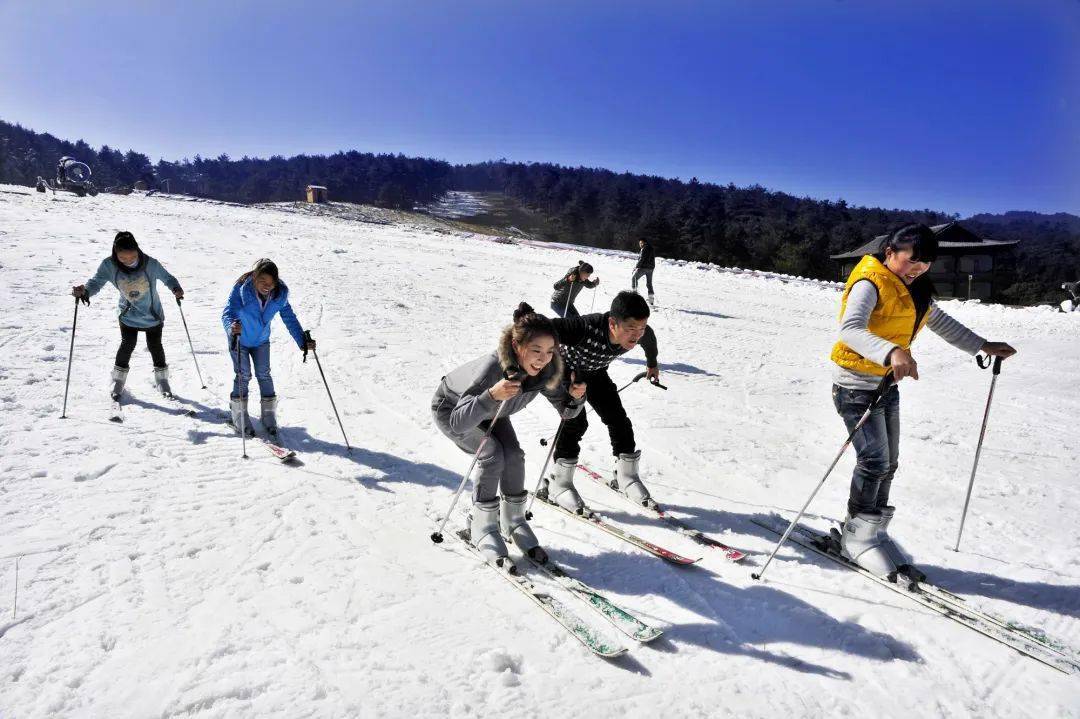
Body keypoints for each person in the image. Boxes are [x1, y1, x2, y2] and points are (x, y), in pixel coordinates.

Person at [830, 224, 1016, 581]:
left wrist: (983, 345)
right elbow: (850, 329)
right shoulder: (869, 282)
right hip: (854, 385)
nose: (918, 268)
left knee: (889, 463)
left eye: (926, 263)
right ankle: (855, 539)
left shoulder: (912, 288)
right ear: (890, 252)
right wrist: (892, 350)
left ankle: (872, 532)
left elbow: (939, 321)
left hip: (884, 384)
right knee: (873, 461)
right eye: (911, 260)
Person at [432, 303, 586, 565]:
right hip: (453, 409)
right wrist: (492, 395)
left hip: (493, 412)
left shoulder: (545, 370)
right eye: (536, 350)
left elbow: (566, 413)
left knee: (514, 455)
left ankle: (513, 521)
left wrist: (576, 398)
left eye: (550, 351)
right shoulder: (495, 368)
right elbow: (458, 423)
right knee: (492, 454)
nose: (543, 358)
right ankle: (480, 525)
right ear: (517, 347)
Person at [540, 291, 661, 513]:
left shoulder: (639, 331)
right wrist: (526, 323)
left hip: (594, 372)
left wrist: (652, 364)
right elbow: (545, 328)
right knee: (576, 421)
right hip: (563, 372)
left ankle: (626, 476)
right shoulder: (585, 327)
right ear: (613, 323)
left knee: (617, 418)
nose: (636, 335)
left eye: (641, 328)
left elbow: (649, 338)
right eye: (631, 329)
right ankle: (559, 483)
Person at [71, 231, 184, 402]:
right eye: (123, 258)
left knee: (155, 346)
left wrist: (176, 288)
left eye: (132, 257)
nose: (128, 261)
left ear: (137, 250)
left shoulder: (150, 264)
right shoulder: (109, 265)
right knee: (127, 345)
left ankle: (162, 380)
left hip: (152, 315)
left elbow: (167, 278)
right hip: (128, 315)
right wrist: (85, 291)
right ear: (115, 254)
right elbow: (96, 283)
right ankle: (117, 380)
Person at [221, 258, 315, 437]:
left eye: (271, 283)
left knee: (264, 373)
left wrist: (302, 340)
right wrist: (231, 327)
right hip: (239, 338)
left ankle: (268, 414)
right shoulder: (242, 290)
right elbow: (228, 313)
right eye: (263, 281)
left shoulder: (279, 295)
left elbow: (289, 317)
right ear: (255, 277)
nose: (267, 286)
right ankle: (238, 413)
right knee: (244, 374)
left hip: (261, 340)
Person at [631, 239, 656, 305]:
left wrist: (636, 266)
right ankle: (651, 299)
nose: (640, 244)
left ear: (644, 243)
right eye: (639, 243)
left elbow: (642, 259)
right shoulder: (651, 248)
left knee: (634, 279)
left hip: (643, 268)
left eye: (641, 243)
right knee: (649, 283)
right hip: (651, 268)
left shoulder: (644, 249)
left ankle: (634, 296)